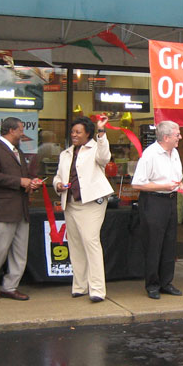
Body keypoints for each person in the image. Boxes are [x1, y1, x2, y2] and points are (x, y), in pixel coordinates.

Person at [0, 117, 41, 301]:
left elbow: (23, 177)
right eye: (21, 130)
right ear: (11, 130)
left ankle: (10, 286)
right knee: (0, 249)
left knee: (20, 251)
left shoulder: (18, 152)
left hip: (21, 208)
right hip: (2, 208)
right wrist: (20, 181)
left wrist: (30, 183)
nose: (23, 133)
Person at [54, 116, 113, 302]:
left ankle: (97, 289)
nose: (74, 135)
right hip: (70, 203)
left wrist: (101, 132)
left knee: (91, 241)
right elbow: (57, 176)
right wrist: (58, 185)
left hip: (92, 203)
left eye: (78, 132)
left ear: (88, 133)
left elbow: (105, 158)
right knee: (75, 245)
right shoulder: (65, 153)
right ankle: (79, 286)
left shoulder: (96, 148)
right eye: (72, 132)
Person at [131, 120, 183, 299]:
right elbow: (137, 183)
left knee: (170, 243)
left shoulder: (174, 152)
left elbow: (174, 178)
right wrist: (163, 185)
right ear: (166, 137)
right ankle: (152, 284)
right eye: (177, 134)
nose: (180, 137)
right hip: (153, 201)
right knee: (154, 244)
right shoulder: (150, 154)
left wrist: (180, 186)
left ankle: (166, 282)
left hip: (170, 200)